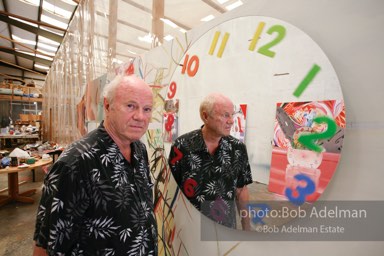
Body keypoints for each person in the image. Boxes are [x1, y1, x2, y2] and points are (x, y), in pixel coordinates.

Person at [33, 75, 158, 255]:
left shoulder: (139, 150)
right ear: (107, 106)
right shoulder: (75, 163)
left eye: (147, 109)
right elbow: (46, 243)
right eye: (131, 106)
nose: (140, 117)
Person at [168, 93, 253, 230]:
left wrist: (246, 227)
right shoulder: (182, 147)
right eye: (226, 115)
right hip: (189, 231)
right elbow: (171, 190)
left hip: (225, 230)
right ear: (205, 116)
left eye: (232, 115)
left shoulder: (237, 148)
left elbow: (241, 190)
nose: (231, 121)